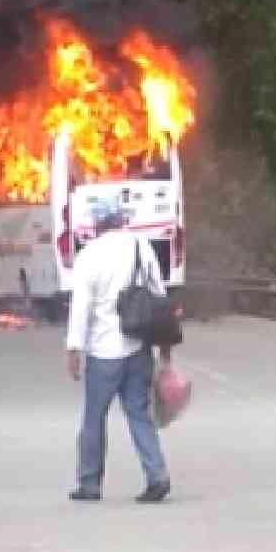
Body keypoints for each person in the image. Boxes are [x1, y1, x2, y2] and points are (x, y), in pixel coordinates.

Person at [65, 209, 173, 504]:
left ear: (98, 227)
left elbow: (81, 308)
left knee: (94, 418)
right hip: (138, 347)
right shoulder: (141, 246)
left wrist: (74, 348)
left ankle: (89, 484)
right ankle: (157, 476)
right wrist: (164, 348)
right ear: (122, 223)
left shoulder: (90, 255)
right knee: (139, 414)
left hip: (103, 352)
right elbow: (158, 296)